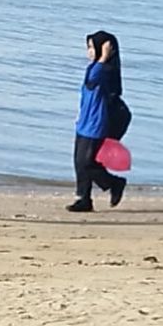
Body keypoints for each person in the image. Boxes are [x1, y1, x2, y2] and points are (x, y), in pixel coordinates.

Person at [70, 31, 127, 211]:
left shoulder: (105, 70)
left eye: (90, 47)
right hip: (84, 121)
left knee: (87, 163)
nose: (88, 51)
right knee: (79, 162)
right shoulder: (94, 67)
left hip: (96, 124)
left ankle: (115, 183)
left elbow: (94, 80)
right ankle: (84, 198)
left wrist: (103, 58)